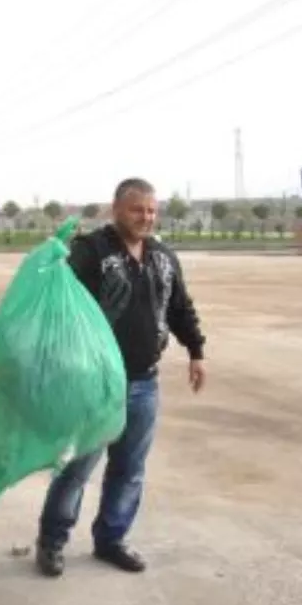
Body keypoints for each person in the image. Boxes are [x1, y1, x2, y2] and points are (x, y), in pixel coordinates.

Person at [35, 178, 207, 578]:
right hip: (96, 384)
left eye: (151, 210)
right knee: (77, 469)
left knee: (129, 469)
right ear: (117, 210)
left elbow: (180, 307)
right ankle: (52, 541)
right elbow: (60, 304)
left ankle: (111, 540)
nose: (146, 217)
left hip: (145, 382)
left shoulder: (163, 256)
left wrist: (196, 351)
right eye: (137, 209)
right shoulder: (90, 251)